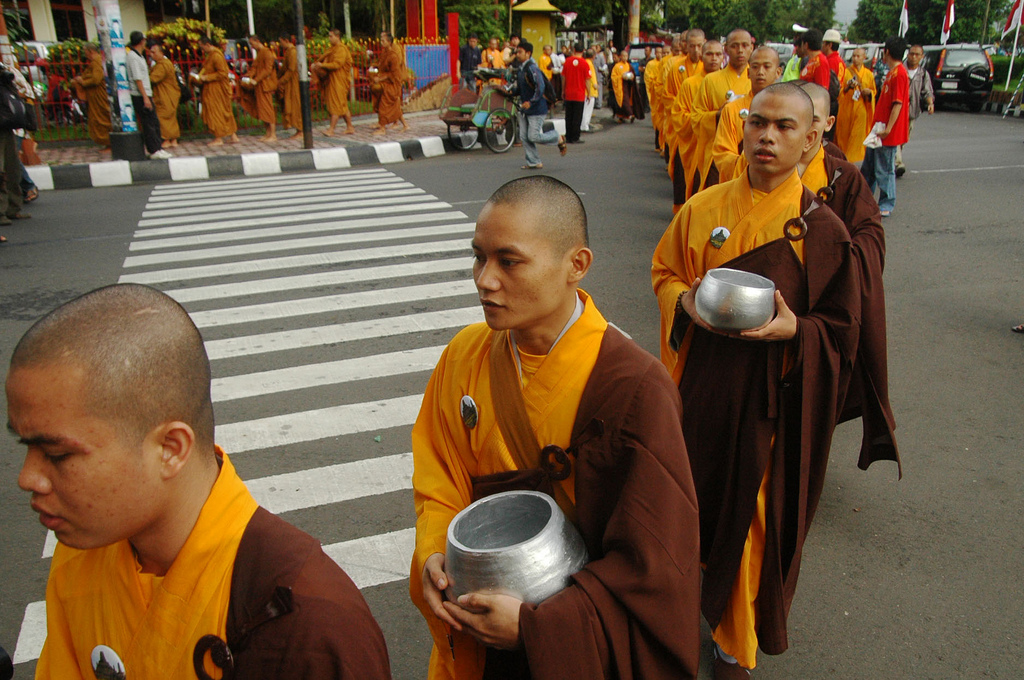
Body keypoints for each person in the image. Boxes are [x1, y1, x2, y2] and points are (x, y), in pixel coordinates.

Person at [8, 284, 393, 679]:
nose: (28, 478)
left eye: (57, 455)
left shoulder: (310, 625)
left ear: (171, 448)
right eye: (25, 446)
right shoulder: (83, 551)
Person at [411, 176, 701, 680]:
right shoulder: (464, 355)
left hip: (571, 643)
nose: (484, 279)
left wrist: (537, 627)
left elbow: (652, 566)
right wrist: (435, 549)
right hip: (475, 614)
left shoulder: (634, 387)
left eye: (509, 260)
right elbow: (438, 479)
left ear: (577, 266)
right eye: (478, 257)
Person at [651, 82, 865, 679]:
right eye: (757, 123)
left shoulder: (821, 231)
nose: (766, 136)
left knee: (750, 522)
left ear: (812, 141)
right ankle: (686, 601)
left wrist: (799, 331)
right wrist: (686, 303)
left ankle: (731, 647)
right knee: (691, 506)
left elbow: (843, 329)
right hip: (700, 388)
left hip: (773, 404)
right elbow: (665, 269)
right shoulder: (703, 207)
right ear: (742, 128)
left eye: (785, 127)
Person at [794, 83, 900, 471]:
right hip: (773, 299)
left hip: (824, 305)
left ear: (826, 125)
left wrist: (834, 258)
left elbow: (871, 234)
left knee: (815, 393)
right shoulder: (758, 167)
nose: (802, 134)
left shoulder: (843, 177)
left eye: (813, 122)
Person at [691, 28, 753, 194]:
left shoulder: (757, 81)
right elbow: (696, 118)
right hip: (718, 153)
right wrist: (719, 114)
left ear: (751, 48)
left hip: (750, 154)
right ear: (726, 49)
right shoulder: (711, 80)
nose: (740, 50)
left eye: (745, 45)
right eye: (734, 46)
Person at [712, 46, 783, 184]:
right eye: (755, 67)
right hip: (739, 183)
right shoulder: (732, 109)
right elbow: (722, 153)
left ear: (778, 72)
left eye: (767, 67)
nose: (760, 72)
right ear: (748, 72)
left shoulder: (787, 110)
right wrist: (752, 165)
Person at [666, 39, 723, 209]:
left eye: (718, 54)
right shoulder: (689, 83)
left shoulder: (740, 81)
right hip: (695, 143)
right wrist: (714, 117)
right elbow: (677, 113)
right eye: (709, 54)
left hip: (723, 145)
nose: (713, 58)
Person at [861, 36, 910, 217]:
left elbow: (897, 104)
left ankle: (887, 203)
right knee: (869, 167)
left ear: (887, 51)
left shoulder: (900, 75)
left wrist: (889, 128)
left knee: (884, 169)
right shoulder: (892, 73)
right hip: (878, 128)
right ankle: (864, 199)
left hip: (886, 132)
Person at [512, 41, 566, 170]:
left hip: (536, 108)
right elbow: (520, 88)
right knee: (524, 136)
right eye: (517, 52)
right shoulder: (521, 69)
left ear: (528, 53)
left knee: (533, 136)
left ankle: (557, 137)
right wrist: (509, 92)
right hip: (525, 108)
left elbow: (540, 87)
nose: (517, 55)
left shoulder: (532, 68)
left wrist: (531, 102)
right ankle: (534, 162)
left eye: (520, 52)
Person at [125, 31, 169, 158]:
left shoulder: (140, 56)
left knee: (153, 121)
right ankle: (154, 150)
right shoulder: (132, 57)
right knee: (148, 123)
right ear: (141, 41)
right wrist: (145, 97)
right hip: (140, 95)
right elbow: (138, 79)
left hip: (146, 93)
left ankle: (158, 147)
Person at [895, 44, 934, 177]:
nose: (914, 57)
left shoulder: (922, 74)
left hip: (912, 112)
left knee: (904, 138)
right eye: (912, 54)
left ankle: (894, 160)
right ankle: (898, 163)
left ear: (922, 57)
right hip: (897, 111)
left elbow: (927, 91)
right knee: (896, 137)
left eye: (917, 54)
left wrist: (930, 103)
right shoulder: (899, 69)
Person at [834, 47, 875, 163]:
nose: (855, 59)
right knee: (844, 137)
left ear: (864, 58)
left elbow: (873, 92)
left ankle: (854, 160)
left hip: (861, 110)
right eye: (853, 56)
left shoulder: (869, 74)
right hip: (847, 109)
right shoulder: (846, 72)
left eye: (858, 56)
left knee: (857, 137)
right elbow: (840, 91)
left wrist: (869, 93)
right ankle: (845, 159)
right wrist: (847, 88)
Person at [197, 36, 239, 147]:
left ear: (207, 45)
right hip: (213, 88)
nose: (202, 50)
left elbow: (223, 73)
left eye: (202, 47)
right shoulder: (210, 56)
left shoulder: (216, 56)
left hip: (217, 89)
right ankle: (233, 136)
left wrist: (207, 78)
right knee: (224, 111)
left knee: (216, 112)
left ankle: (218, 137)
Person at [313, 29, 356, 136]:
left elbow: (337, 64)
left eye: (331, 36)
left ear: (337, 37)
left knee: (336, 105)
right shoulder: (332, 49)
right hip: (333, 80)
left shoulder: (341, 49)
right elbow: (325, 59)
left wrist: (322, 66)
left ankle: (331, 130)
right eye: (329, 36)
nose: (329, 38)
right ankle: (350, 127)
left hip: (339, 81)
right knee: (342, 105)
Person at [73, 43, 111, 149]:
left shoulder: (97, 61)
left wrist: (82, 81)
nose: (85, 55)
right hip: (94, 96)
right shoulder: (96, 61)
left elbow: (96, 79)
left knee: (103, 119)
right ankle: (107, 143)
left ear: (91, 51)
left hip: (99, 96)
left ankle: (109, 143)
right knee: (98, 118)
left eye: (86, 52)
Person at [242, 35, 279, 142]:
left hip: (265, 85)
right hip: (259, 85)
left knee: (268, 109)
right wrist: (247, 77)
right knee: (263, 109)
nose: (251, 46)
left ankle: (273, 134)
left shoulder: (267, 53)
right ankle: (267, 133)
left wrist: (256, 79)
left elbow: (267, 70)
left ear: (257, 41)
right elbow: (254, 67)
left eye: (252, 43)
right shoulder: (259, 54)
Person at [147, 41, 180, 149]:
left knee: (163, 117)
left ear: (161, 53)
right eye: (150, 53)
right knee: (170, 117)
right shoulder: (161, 64)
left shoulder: (163, 64)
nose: (151, 55)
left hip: (165, 95)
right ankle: (173, 139)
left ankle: (166, 139)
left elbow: (154, 78)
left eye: (153, 52)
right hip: (167, 94)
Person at [374, 32, 409, 134]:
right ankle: (405, 125)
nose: (381, 42)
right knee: (395, 107)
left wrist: (380, 79)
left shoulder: (394, 55)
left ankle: (382, 128)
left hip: (393, 83)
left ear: (389, 42)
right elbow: (383, 66)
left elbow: (394, 74)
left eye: (383, 40)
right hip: (387, 82)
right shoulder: (386, 52)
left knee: (384, 105)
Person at [561, 43, 590, 143]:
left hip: (569, 93)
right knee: (577, 116)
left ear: (573, 50)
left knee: (568, 116)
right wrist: (589, 93)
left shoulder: (567, 62)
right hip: (579, 93)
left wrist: (563, 90)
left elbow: (563, 78)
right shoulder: (584, 63)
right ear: (583, 51)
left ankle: (568, 136)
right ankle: (575, 137)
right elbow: (587, 80)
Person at [277, 33, 303, 137]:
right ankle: (297, 129)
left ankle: (300, 130)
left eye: (281, 41)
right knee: (290, 105)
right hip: (289, 83)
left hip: (293, 82)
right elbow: (284, 68)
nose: (280, 44)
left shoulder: (292, 52)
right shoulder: (288, 52)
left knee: (295, 105)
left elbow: (291, 69)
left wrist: (281, 81)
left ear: (286, 40)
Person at [610, 50, 643, 122]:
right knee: (623, 101)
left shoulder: (629, 66)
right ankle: (627, 115)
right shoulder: (617, 66)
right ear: (620, 57)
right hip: (621, 86)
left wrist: (631, 77)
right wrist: (621, 77)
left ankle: (629, 115)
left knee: (628, 101)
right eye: (623, 56)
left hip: (628, 86)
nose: (625, 58)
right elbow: (613, 77)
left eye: (626, 56)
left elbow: (633, 75)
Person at [581, 47, 599, 133]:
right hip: (590, 90)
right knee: (587, 109)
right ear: (594, 56)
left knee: (585, 108)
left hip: (586, 89)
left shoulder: (585, 62)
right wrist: (595, 85)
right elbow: (590, 77)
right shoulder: (589, 64)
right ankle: (585, 125)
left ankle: (584, 124)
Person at [592, 43, 607, 108]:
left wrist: (602, 69)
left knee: (599, 90)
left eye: (594, 48)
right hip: (592, 77)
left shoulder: (600, 57)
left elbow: (605, 65)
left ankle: (599, 104)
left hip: (598, 76)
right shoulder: (589, 58)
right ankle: (594, 104)